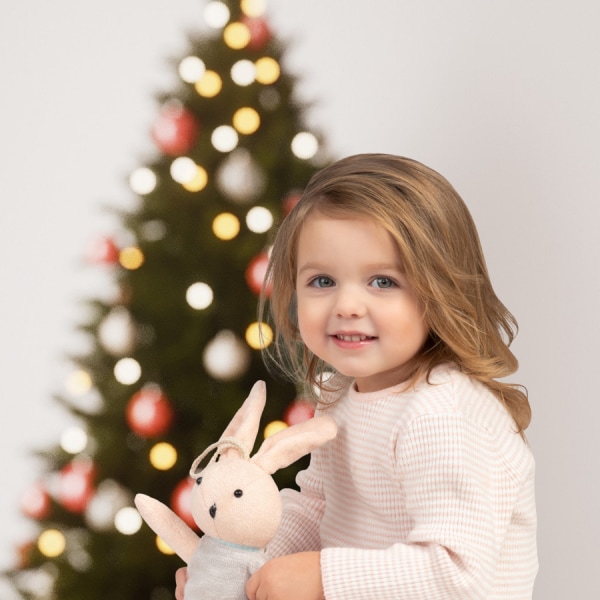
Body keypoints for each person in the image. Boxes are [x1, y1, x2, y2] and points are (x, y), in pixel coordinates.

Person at [175, 154, 538, 599]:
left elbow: (456, 576)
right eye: (323, 281)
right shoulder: (343, 395)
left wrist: (323, 578)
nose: (346, 305)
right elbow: (317, 508)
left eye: (382, 282)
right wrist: (240, 571)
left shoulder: (441, 416)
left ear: (441, 290)